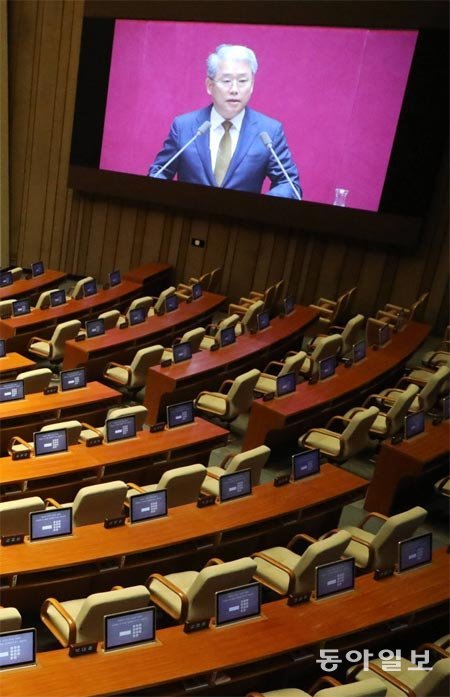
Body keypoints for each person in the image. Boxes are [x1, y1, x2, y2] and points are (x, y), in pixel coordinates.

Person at [148, 44, 302, 200]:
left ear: (252, 85)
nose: (234, 89)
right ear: (210, 85)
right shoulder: (184, 126)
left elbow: (289, 184)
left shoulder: (269, 131)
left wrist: (259, 207)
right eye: (227, 80)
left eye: (242, 81)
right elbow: (159, 172)